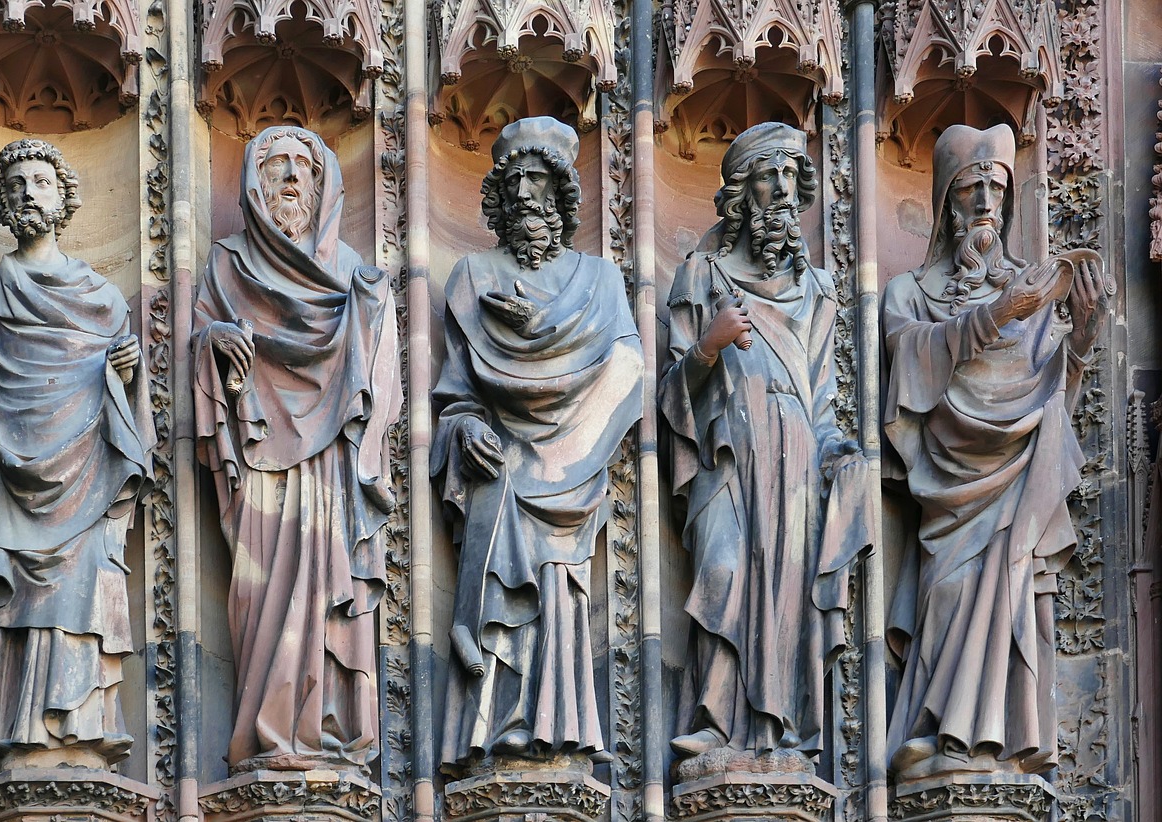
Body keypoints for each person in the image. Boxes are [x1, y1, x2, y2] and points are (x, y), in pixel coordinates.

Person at [882, 123, 1108, 780]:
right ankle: (937, 730)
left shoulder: (1037, 297)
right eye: (970, 188)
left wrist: (1083, 342)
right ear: (945, 201)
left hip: (1014, 485)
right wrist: (998, 312)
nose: (984, 202)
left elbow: (1050, 413)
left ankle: (996, 742)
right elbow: (908, 373)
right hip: (948, 488)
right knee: (948, 595)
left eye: (996, 188)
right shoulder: (910, 293)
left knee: (1010, 593)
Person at [432, 116, 644, 769]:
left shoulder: (601, 283)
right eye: (515, 179)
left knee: (558, 590)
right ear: (499, 193)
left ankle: (554, 728)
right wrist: (466, 425)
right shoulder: (472, 279)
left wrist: (570, 445)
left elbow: (629, 367)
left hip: (574, 466)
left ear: (559, 193)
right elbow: (457, 392)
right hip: (502, 466)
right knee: (500, 589)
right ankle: (494, 727)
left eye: (538, 179)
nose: (526, 193)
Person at [660, 122, 870, 764]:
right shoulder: (702, 275)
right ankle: (717, 722)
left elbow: (823, 399)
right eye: (766, 176)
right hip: (726, 459)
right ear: (741, 191)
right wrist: (709, 345)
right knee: (723, 569)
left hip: (797, 462)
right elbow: (671, 396)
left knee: (787, 595)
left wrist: (841, 454)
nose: (780, 190)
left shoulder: (818, 292)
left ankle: (782, 735)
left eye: (789, 176)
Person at [193, 126, 402, 772]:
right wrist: (214, 345)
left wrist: (372, 319)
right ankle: (269, 732)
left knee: (325, 591)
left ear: (321, 184)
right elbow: (201, 350)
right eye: (274, 165)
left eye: (301, 167)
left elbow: (383, 386)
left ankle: (327, 727)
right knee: (260, 595)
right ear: (254, 185)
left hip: (329, 470)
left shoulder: (354, 278)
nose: (289, 177)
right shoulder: (227, 267)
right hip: (260, 461)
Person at [0, 139, 151, 771]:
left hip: (88, 464)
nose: (26, 194)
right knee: (23, 597)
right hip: (18, 466)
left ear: (63, 198)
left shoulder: (102, 298)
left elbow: (125, 393)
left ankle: (86, 726)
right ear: (1, 204)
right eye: (14, 185)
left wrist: (124, 376)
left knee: (88, 592)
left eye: (40, 182)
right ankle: (23, 729)